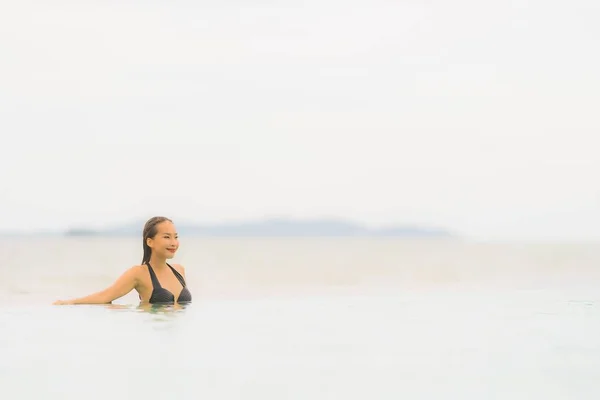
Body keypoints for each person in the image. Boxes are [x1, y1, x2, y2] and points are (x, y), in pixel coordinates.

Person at [53, 216, 192, 305]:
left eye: (176, 237)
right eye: (167, 237)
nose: (174, 242)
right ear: (150, 242)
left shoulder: (179, 270)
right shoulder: (139, 273)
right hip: (154, 336)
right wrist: (70, 302)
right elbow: (105, 296)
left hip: (177, 340)